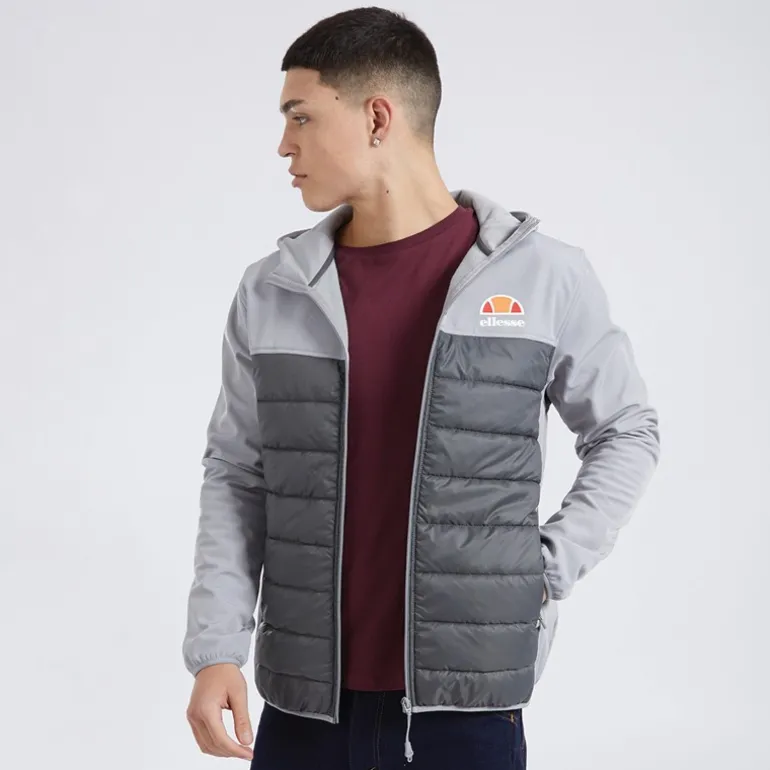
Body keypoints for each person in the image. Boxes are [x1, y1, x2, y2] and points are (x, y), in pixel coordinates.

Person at [182, 7, 661, 769]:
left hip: (466, 712)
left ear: (378, 117)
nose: (283, 145)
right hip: (303, 703)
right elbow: (237, 472)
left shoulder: (544, 276)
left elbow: (626, 430)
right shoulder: (273, 290)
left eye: (301, 116)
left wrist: (542, 570)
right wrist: (216, 648)